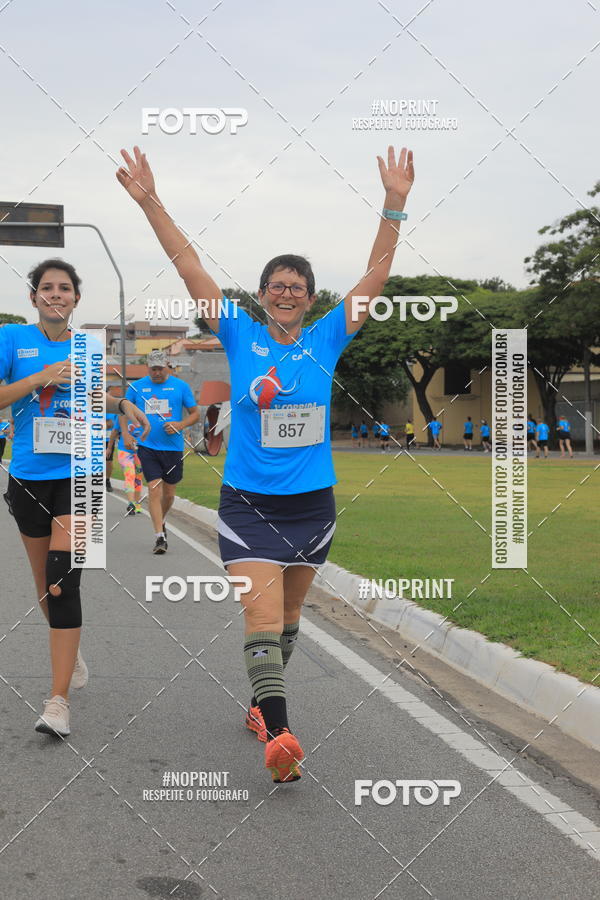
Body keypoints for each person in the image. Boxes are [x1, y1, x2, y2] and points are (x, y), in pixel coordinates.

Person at [117, 143, 414, 782]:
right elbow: (187, 261)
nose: (286, 293)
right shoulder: (236, 331)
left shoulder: (327, 337)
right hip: (249, 504)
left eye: (297, 287)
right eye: (276, 285)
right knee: (259, 615)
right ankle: (279, 734)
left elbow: (376, 276)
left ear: (309, 299)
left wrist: (394, 203)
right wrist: (149, 201)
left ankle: (260, 706)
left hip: (312, 506)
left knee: (288, 619)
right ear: (260, 294)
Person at [0, 259, 149, 738]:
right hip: (27, 476)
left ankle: (57, 700)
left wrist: (121, 402)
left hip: (80, 474)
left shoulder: (87, 346)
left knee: (64, 582)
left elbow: (94, 397)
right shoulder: (12, 340)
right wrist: (42, 377)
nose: (56, 295)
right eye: (47, 288)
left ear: (76, 298)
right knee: (46, 586)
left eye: (65, 288)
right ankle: (71, 649)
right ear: (34, 297)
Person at [124, 349, 199, 554]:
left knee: (169, 494)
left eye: (159, 369)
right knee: (154, 488)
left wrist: (180, 424)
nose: (156, 373)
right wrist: (126, 435)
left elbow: (195, 414)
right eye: (152, 369)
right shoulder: (137, 387)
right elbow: (123, 410)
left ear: (167, 366)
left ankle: (162, 520)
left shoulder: (180, 386)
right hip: (148, 445)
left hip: (173, 448)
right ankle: (159, 537)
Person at [107, 417, 144, 514]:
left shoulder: (144, 414)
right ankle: (131, 503)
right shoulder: (122, 417)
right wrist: (109, 448)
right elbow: (114, 432)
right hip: (124, 450)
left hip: (140, 451)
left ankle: (136, 502)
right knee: (130, 475)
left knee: (138, 477)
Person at [105, 412, 116, 491]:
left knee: (108, 461)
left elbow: (110, 424)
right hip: (93, 438)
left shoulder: (109, 408)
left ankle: (107, 480)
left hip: (108, 439)